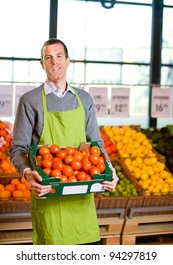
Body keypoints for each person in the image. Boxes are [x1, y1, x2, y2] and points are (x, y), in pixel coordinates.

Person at [9, 38, 119, 245]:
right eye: (48, 57)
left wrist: (110, 168)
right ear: (42, 64)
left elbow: (96, 142)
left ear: (68, 60)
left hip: (81, 194)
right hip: (49, 195)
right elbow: (17, 149)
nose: (54, 62)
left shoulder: (84, 99)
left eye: (59, 56)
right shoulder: (29, 100)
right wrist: (27, 174)